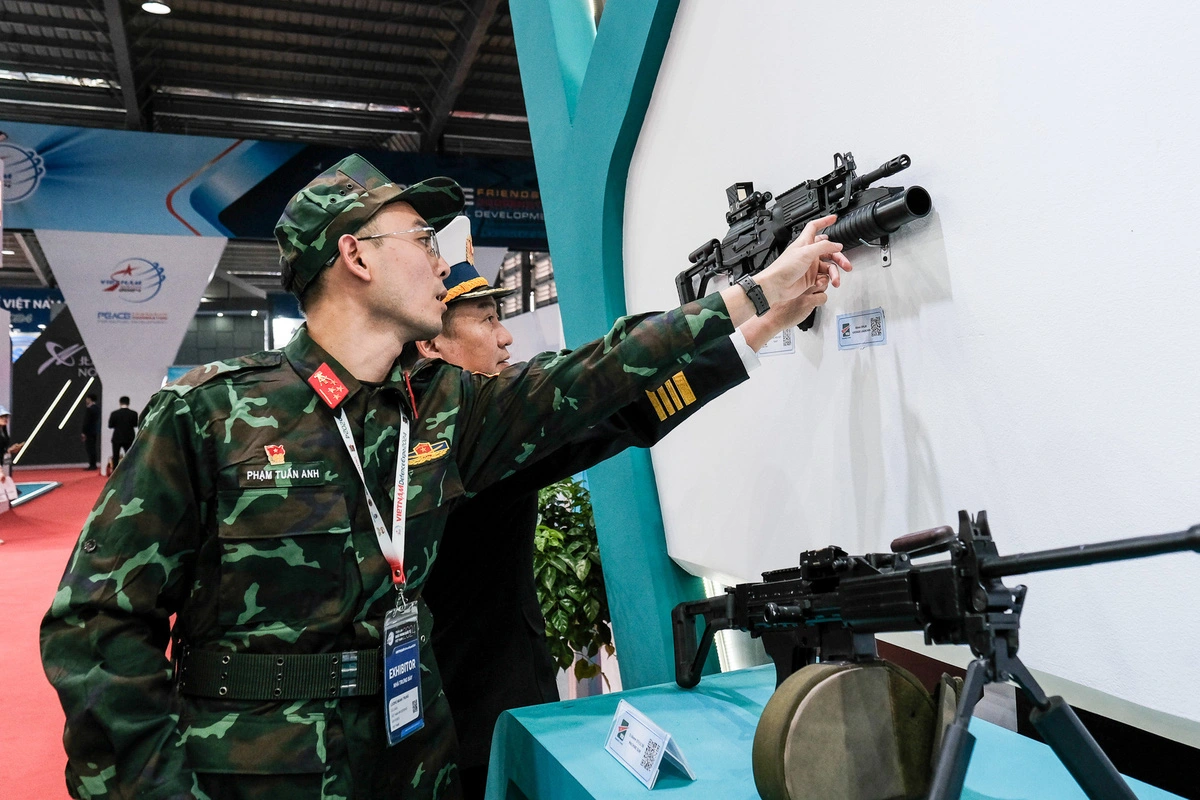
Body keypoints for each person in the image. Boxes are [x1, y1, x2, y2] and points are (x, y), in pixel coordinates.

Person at [40, 154, 850, 800]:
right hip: (261, 771)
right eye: (421, 242)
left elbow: (601, 380)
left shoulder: (443, 411)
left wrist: (758, 301)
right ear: (353, 255)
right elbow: (97, 626)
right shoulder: (209, 415)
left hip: (414, 759)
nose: (441, 262)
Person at [417, 217, 834, 797]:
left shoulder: (410, 436)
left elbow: (623, 411)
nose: (506, 338)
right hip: (477, 734)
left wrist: (764, 326)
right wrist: (761, 313)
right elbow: (618, 405)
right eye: (487, 322)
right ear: (430, 347)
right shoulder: (471, 447)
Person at [107, 396, 139, 469]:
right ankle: (130, 472)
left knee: (115, 456)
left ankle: (114, 473)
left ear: (120, 402)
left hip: (117, 437)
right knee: (130, 456)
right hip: (129, 437)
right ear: (129, 403)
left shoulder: (114, 413)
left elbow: (110, 425)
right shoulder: (133, 413)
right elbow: (135, 424)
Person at [80, 394, 100, 470]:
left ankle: (92, 465)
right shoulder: (97, 408)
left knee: (90, 448)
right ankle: (93, 464)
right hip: (94, 431)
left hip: (89, 432)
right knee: (93, 448)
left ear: (89, 399)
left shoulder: (90, 409)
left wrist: (83, 432)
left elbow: (86, 422)